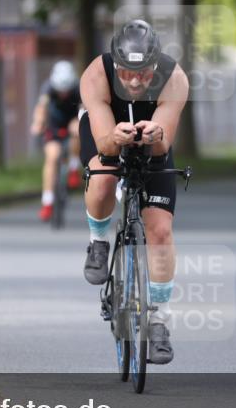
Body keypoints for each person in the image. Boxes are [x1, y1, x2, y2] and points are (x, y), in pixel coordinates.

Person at [78, 19, 189, 364]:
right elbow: (104, 144)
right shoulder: (96, 74)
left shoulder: (174, 79)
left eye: (144, 72)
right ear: (116, 64)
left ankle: (158, 322)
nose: (136, 80)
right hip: (107, 131)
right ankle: (98, 241)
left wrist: (155, 137)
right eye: (127, 72)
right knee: (104, 176)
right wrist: (116, 139)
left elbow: (163, 146)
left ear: (155, 64)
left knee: (160, 229)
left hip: (153, 138)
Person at [30, 60, 82, 222]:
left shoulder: (78, 88)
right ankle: (47, 201)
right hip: (54, 124)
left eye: (66, 91)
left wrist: (80, 122)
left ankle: (74, 167)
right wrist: (38, 123)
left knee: (77, 131)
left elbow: (83, 108)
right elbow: (41, 108)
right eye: (61, 91)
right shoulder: (48, 87)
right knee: (52, 157)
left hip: (72, 120)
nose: (63, 94)